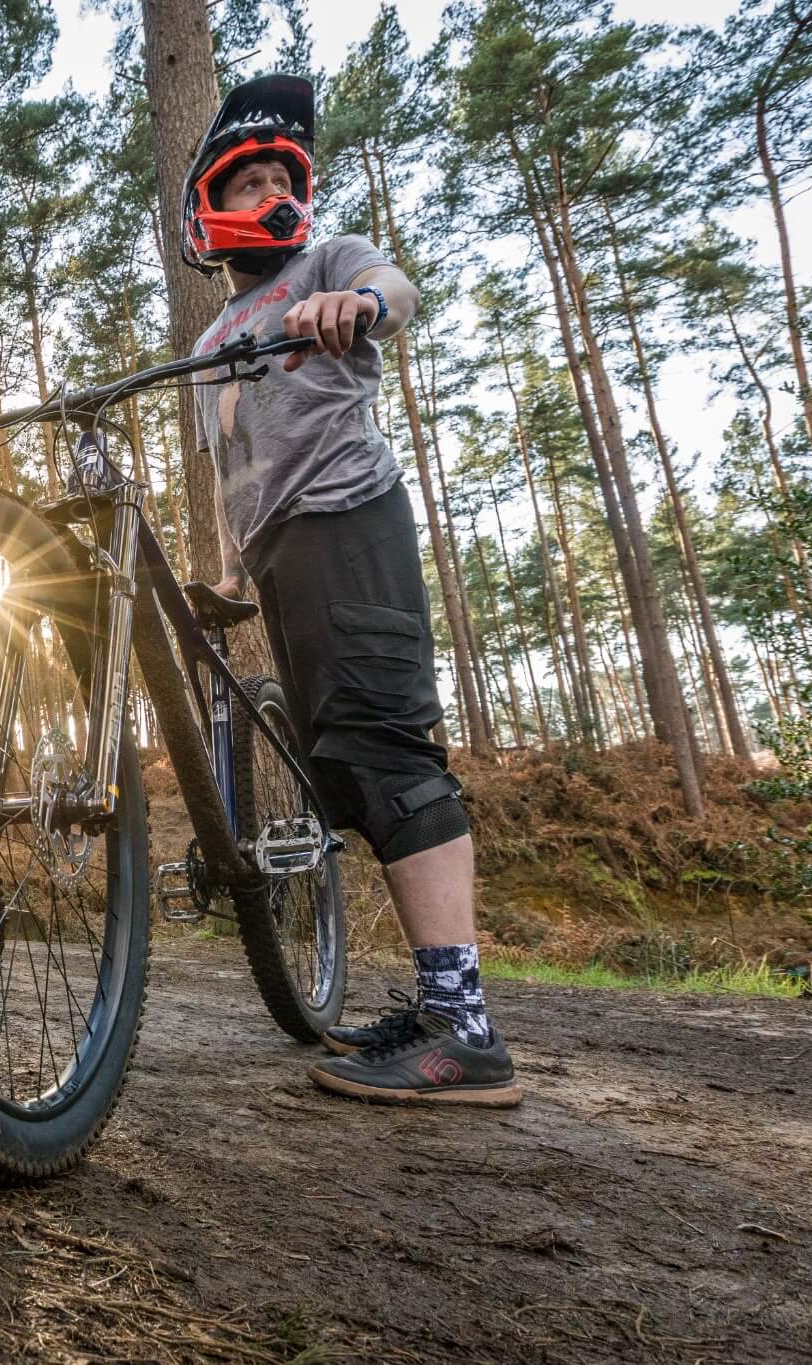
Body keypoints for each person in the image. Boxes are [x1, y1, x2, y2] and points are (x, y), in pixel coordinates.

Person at [181, 74, 521, 1106]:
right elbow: (231, 465)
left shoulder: (328, 263)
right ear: (209, 204)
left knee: (385, 750)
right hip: (279, 550)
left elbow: (398, 287)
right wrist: (233, 558)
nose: (273, 192)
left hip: (349, 520)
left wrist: (360, 303)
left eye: (286, 175)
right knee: (336, 767)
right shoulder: (205, 344)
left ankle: (465, 1033)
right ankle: (431, 1009)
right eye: (251, 181)